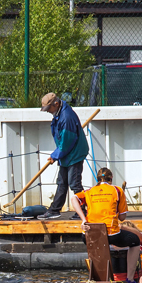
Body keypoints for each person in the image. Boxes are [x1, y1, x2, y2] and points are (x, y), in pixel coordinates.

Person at [72, 167, 142, 282]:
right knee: (135, 241)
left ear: (98, 179)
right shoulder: (117, 190)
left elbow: (73, 198)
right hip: (110, 233)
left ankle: (96, 278)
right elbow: (122, 217)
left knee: (97, 245)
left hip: (89, 233)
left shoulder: (88, 191)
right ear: (111, 178)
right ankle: (130, 279)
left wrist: (83, 219)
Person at [38, 92, 89, 220]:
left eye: (49, 108)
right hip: (66, 153)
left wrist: (55, 155)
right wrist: (57, 154)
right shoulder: (59, 113)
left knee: (75, 183)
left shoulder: (66, 117)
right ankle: (54, 210)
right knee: (62, 182)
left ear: (56, 104)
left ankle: (83, 210)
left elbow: (67, 141)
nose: (48, 111)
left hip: (74, 153)